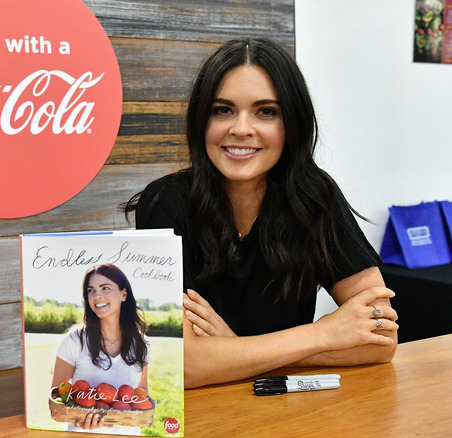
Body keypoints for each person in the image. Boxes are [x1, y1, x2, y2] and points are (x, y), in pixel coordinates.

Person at [122, 37, 398, 389]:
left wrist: (229, 350)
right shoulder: (166, 201)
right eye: (222, 110)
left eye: (266, 111)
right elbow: (179, 364)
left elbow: (380, 343)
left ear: (291, 124)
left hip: (286, 410)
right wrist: (324, 334)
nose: (241, 129)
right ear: (201, 120)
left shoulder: (315, 197)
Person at [51, 263, 150, 433]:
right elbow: (58, 398)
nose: (97, 295)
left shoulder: (141, 344)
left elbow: (142, 391)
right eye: (91, 290)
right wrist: (79, 418)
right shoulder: (74, 341)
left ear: (123, 294)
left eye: (105, 288)